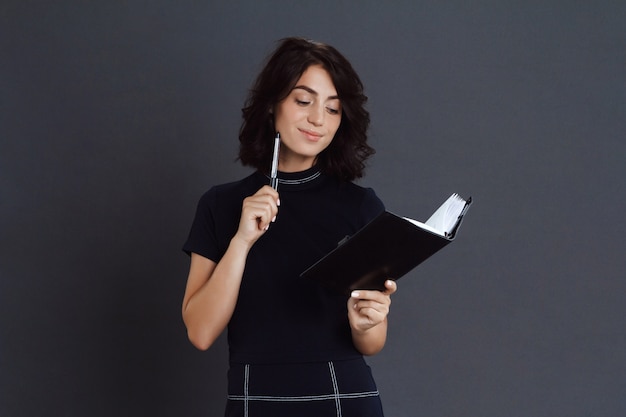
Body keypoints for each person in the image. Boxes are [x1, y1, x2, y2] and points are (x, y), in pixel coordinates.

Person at [182, 37, 397, 417]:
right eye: (303, 101)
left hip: (344, 400)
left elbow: (371, 343)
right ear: (271, 105)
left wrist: (368, 322)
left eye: (333, 109)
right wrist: (242, 240)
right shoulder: (220, 204)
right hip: (255, 400)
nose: (318, 119)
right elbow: (200, 333)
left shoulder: (361, 206)